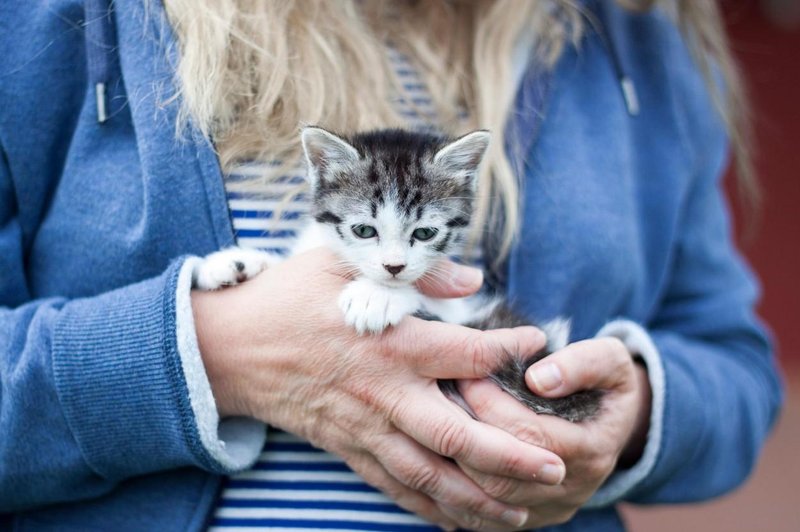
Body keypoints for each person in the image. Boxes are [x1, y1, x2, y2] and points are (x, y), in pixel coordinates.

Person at [0, 0, 783, 530]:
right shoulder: (43, 24)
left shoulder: (628, 31)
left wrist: (634, 414)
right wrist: (211, 354)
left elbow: (737, 366)